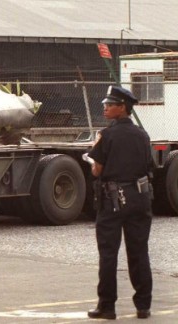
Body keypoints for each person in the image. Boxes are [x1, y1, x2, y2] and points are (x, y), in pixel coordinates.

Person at [86, 86, 154, 320]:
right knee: (139, 251)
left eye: (110, 104)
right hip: (139, 198)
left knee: (108, 254)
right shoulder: (142, 135)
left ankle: (107, 306)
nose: (105, 107)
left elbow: (97, 170)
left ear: (122, 107)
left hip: (113, 200)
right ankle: (143, 306)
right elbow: (148, 166)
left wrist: (92, 159)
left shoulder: (107, 135)